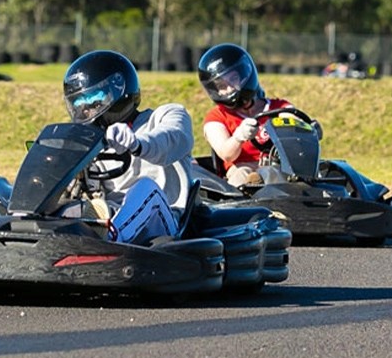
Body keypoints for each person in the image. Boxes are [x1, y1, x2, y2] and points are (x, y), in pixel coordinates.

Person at [61, 49, 194, 245]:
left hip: (167, 219)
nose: (87, 110)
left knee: (144, 187)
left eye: (94, 101)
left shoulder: (168, 115)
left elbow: (170, 139)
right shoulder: (93, 139)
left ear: (119, 90)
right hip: (112, 213)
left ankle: (108, 241)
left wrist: (137, 143)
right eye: (81, 105)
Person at [196, 43, 295, 187]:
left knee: (271, 173)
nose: (230, 89)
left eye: (233, 80)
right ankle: (243, 199)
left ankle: (263, 183)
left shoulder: (279, 108)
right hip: (239, 168)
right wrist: (238, 137)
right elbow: (226, 154)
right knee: (240, 175)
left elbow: (295, 124)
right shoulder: (216, 117)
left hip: (276, 168)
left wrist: (306, 129)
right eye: (222, 86)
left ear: (245, 74)